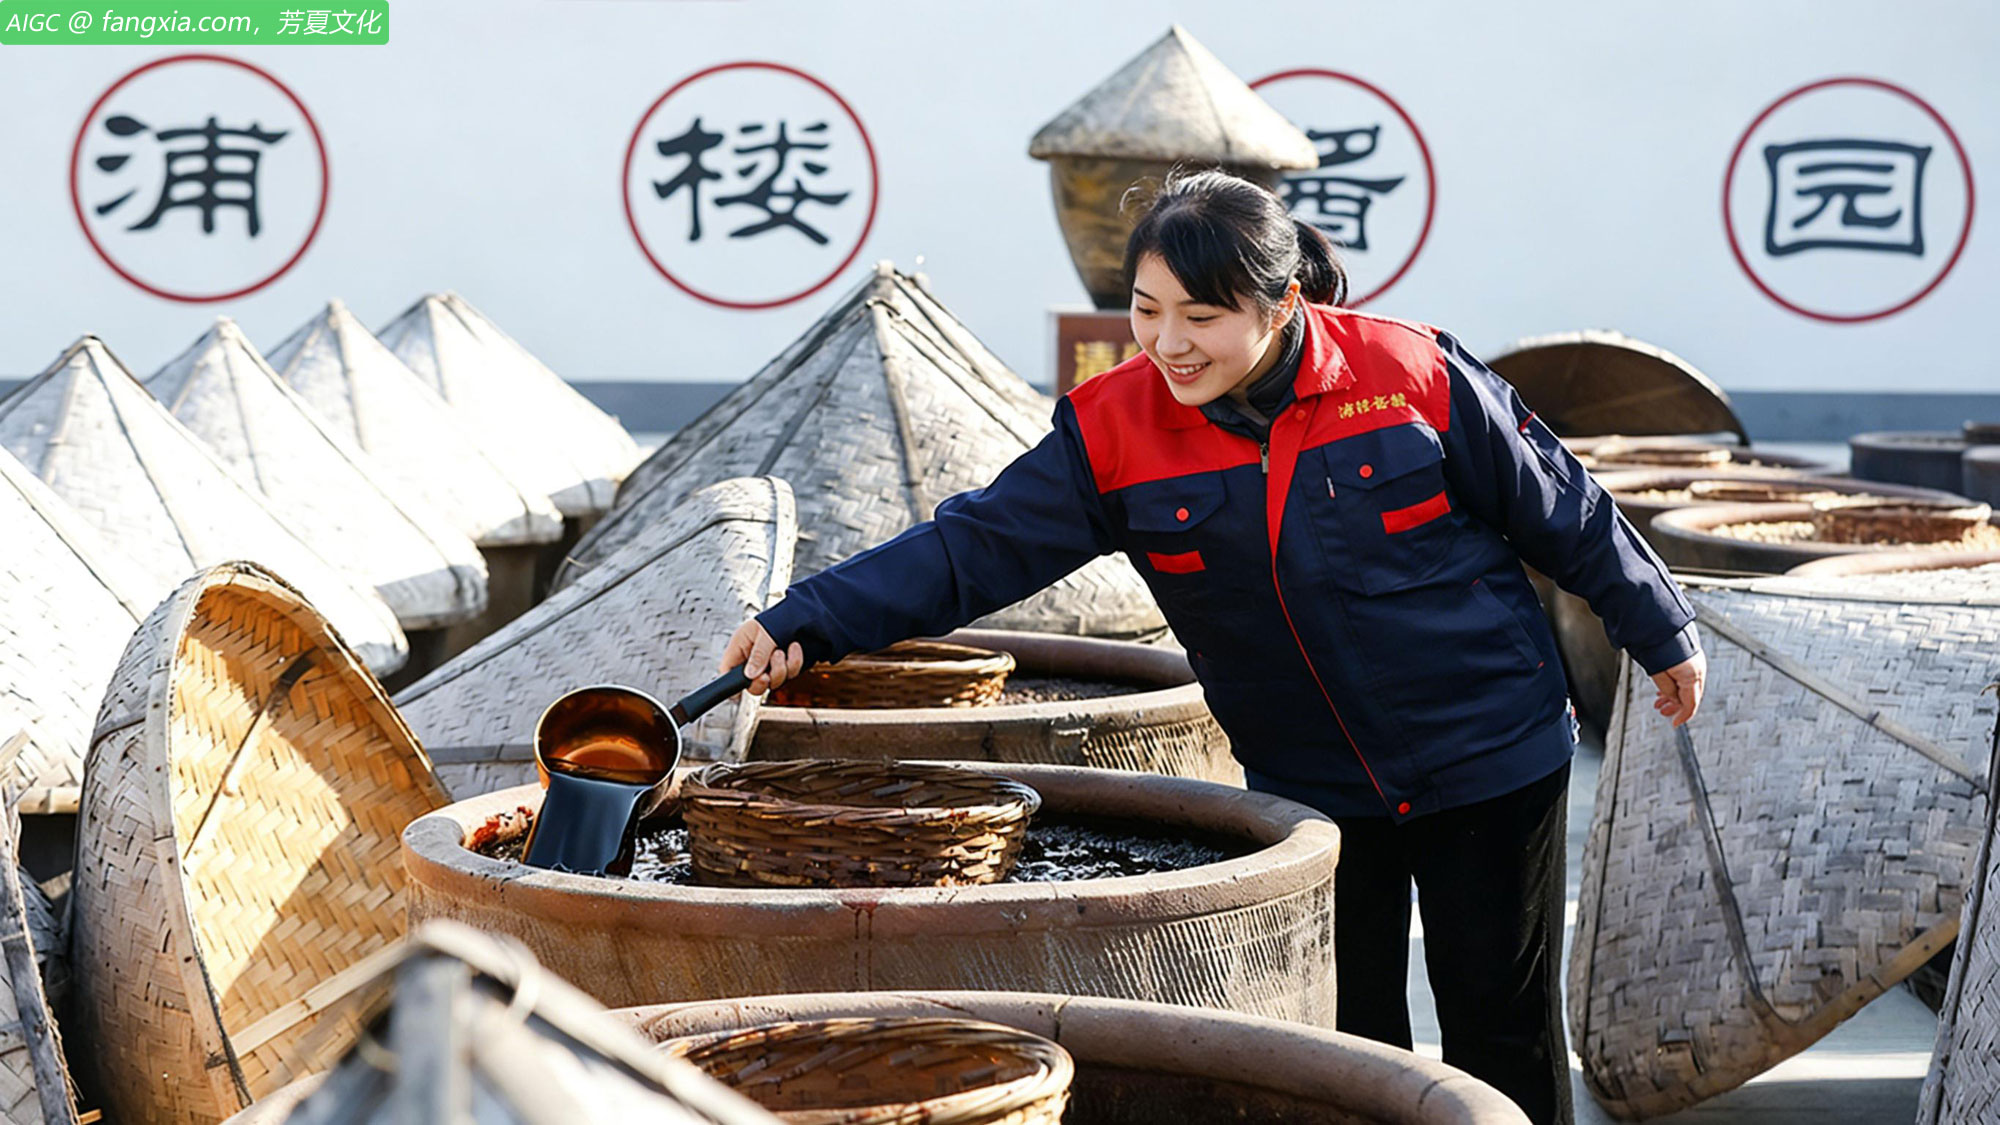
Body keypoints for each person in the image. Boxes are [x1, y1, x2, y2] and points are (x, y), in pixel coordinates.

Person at [721, 168, 1704, 1125]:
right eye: (1146, 311)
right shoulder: (1114, 427)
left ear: (1278, 305)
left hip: (1488, 755)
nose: (1166, 345)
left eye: (1200, 317)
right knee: (1345, 1046)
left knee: (1500, 1034)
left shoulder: (1407, 373)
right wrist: (810, 620)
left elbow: (1563, 510)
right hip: (1309, 783)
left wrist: (1655, 627)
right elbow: (973, 546)